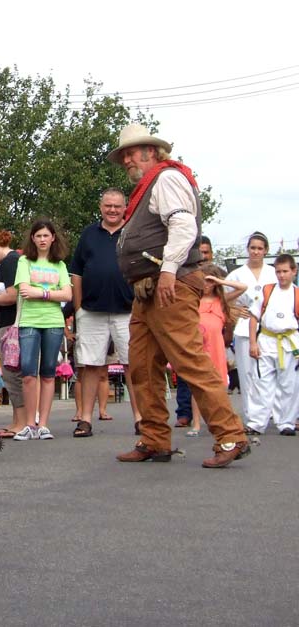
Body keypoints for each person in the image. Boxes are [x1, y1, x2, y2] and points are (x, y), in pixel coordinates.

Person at [110, 123, 249, 468]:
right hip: (149, 291)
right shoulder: (150, 184)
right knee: (142, 366)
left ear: (152, 152)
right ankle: (155, 439)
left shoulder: (167, 178)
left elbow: (184, 225)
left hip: (168, 285)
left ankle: (231, 435)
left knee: (189, 360)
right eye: (124, 154)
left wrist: (169, 270)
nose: (127, 159)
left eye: (133, 151)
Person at [69, 189, 139, 438]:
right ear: (101, 207)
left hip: (127, 311)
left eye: (117, 206)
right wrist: (77, 309)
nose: (112, 210)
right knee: (90, 366)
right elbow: (76, 273)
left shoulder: (133, 232)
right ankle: (85, 419)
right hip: (91, 310)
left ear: (125, 208)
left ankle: (141, 419)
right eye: (108, 206)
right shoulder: (88, 234)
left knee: (134, 365)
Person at [12, 219, 72, 441]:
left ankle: (43, 424)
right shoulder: (24, 261)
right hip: (29, 320)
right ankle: (29, 423)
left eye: (46, 235)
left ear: (53, 238)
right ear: (32, 239)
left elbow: (68, 295)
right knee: (28, 373)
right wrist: (52, 293)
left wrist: (42, 293)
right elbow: (24, 290)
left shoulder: (60, 265)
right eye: (38, 236)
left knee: (48, 373)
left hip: (53, 322)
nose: (42, 239)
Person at [186, 265, 247, 435]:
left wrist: (219, 280)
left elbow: (243, 287)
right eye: (203, 280)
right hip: (198, 347)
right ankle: (196, 424)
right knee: (197, 386)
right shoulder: (193, 301)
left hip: (216, 348)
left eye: (209, 281)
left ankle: (224, 422)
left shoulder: (221, 301)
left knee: (220, 386)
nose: (205, 284)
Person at [227, 231, 277, 426]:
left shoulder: (273, 273)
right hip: (244, 326)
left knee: (267, 373)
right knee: (247, 373)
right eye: (252, 248)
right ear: (247, 250)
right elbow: (221, 298)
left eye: (259, 248)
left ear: (266, 251)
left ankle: (270, 412)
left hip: (269, 327)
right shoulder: (236, 274)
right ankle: (251, 416)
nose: (256, 252)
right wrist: (234, 309)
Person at [246, 253, 299, 436]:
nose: (281, 275)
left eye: (285, 271)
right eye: (278, 272)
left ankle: (287, 423)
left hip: (289, 343)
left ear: (294, 271)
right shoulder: (266, 291)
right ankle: (256, 423)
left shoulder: (297, 294)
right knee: (261, 383)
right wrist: (253, 342)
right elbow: (253, 318)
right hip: (266, 340)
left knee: (289, 385)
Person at [174, 235, 216, 426]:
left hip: (212, 337)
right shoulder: (183, 273)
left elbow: (226, 302)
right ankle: (184, 412)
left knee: (208, 373)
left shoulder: (217, 274)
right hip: (187, 325)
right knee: (184, 370)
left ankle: (213, 414)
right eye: (200, 252)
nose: (203, 256)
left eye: (206, 252)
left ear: (211, 254)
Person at [0, 230, 25, 438]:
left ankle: (20, 422)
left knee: (13, 375)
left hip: (11, 326)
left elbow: (12, 295)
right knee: (13, 375)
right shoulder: (13, 260)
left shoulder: (10, 262)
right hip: (8, 324)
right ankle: (17, 420)